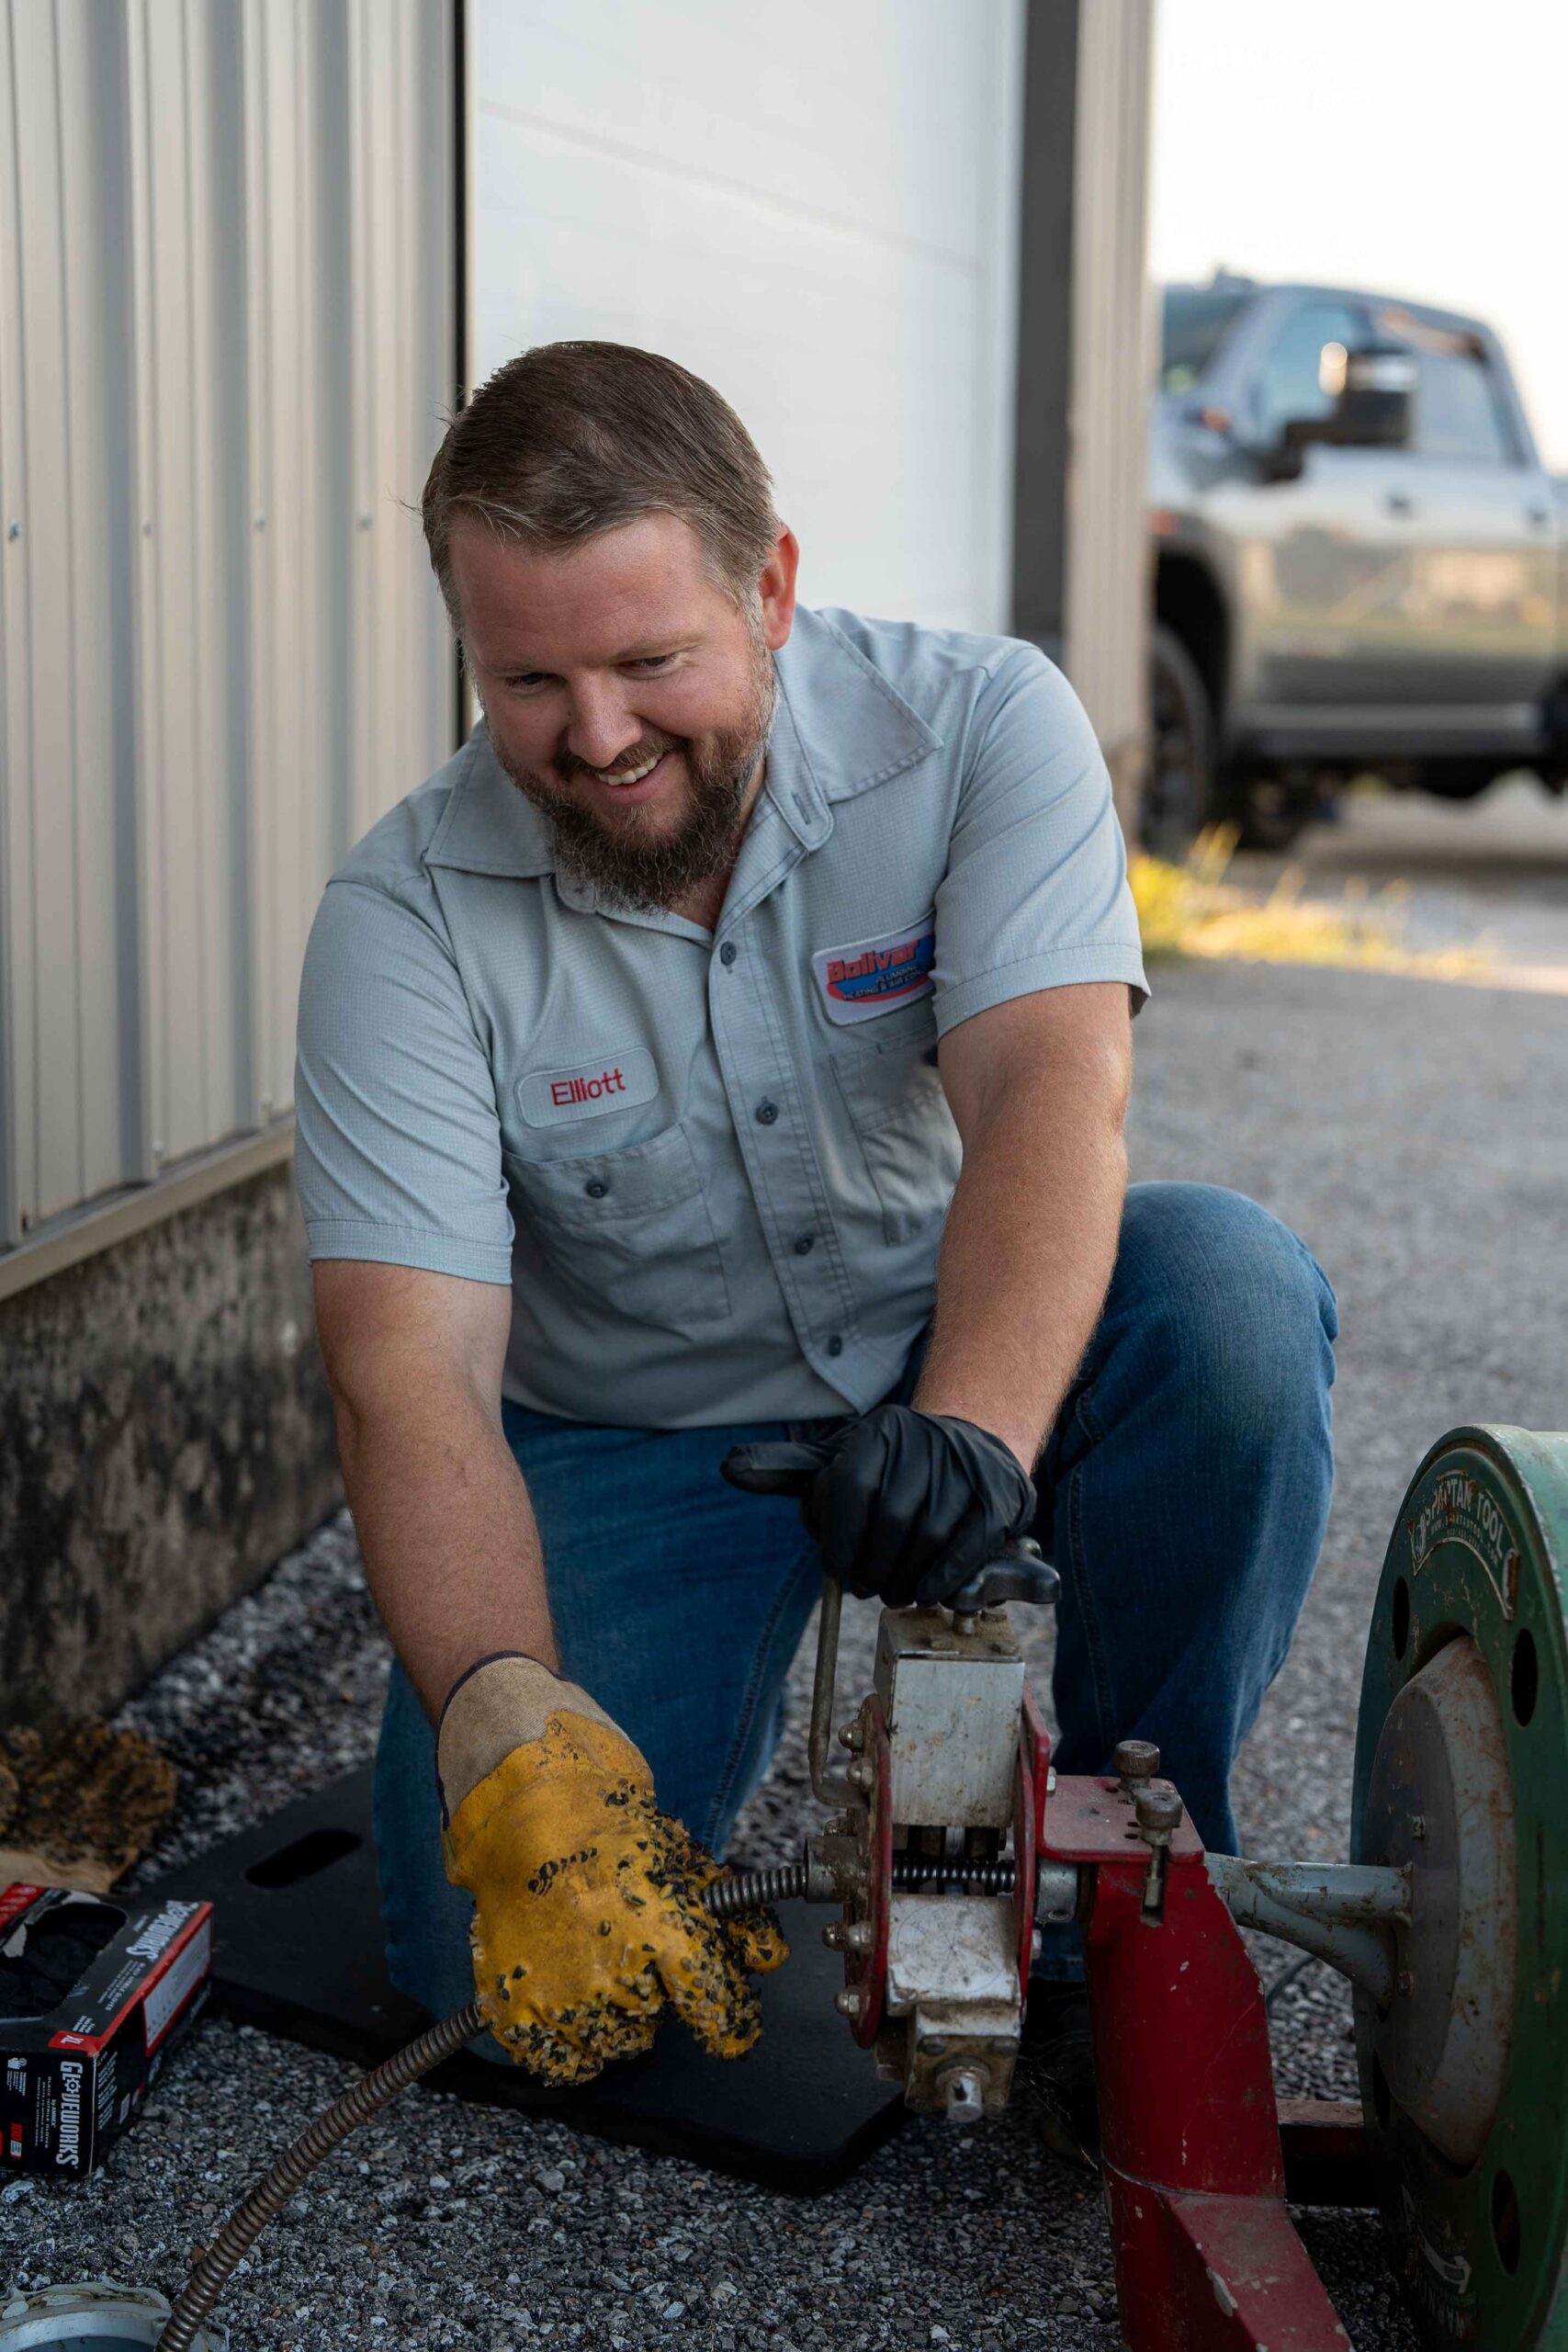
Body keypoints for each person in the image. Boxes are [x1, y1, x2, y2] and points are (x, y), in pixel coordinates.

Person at [295, 342, 1337, 2090]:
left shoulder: (982, 726)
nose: (597, 737)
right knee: (490, 1972)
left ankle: (1143, 1895)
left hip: (958, 1335)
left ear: (770, 584)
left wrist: (976, 1435)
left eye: (650, 660)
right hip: (647, 1429)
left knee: (1224, 1291)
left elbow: (1046, 1101)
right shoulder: (400, 921)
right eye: (527, 678)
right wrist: (503, 1714)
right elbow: (409, 1369)